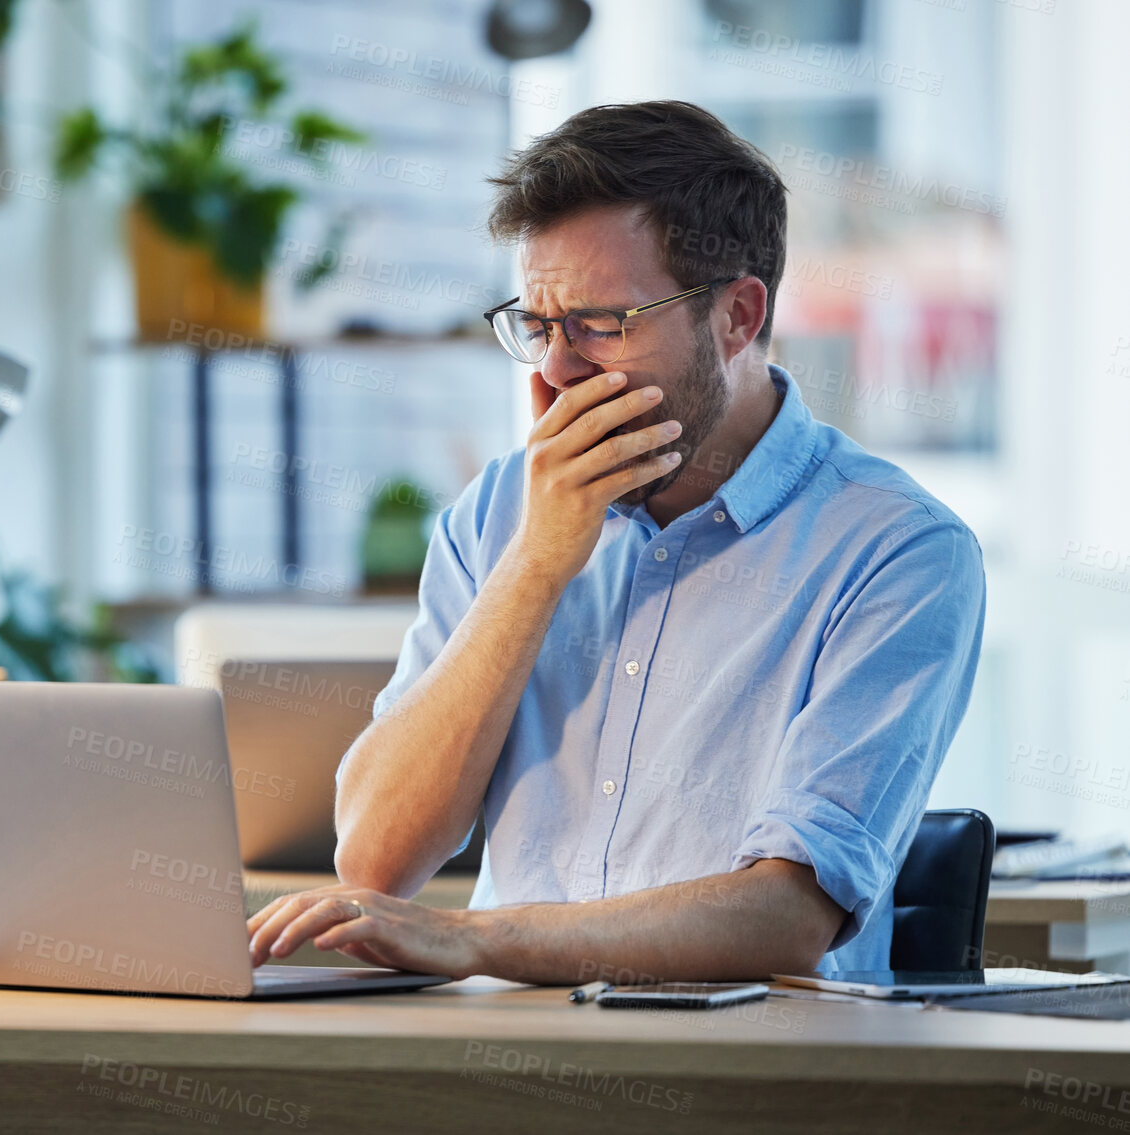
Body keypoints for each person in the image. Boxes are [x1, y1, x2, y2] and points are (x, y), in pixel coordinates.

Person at [247, 100, 986, 984]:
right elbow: (374, 859)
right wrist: (534, 564)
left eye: (599, 324)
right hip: (496, 1060)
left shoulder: (899, 552)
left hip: (749, 1076)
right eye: (539, 326)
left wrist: (480, 939)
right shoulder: (498, 515)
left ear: (738, 317)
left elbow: (788, 914)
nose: (556, 370)